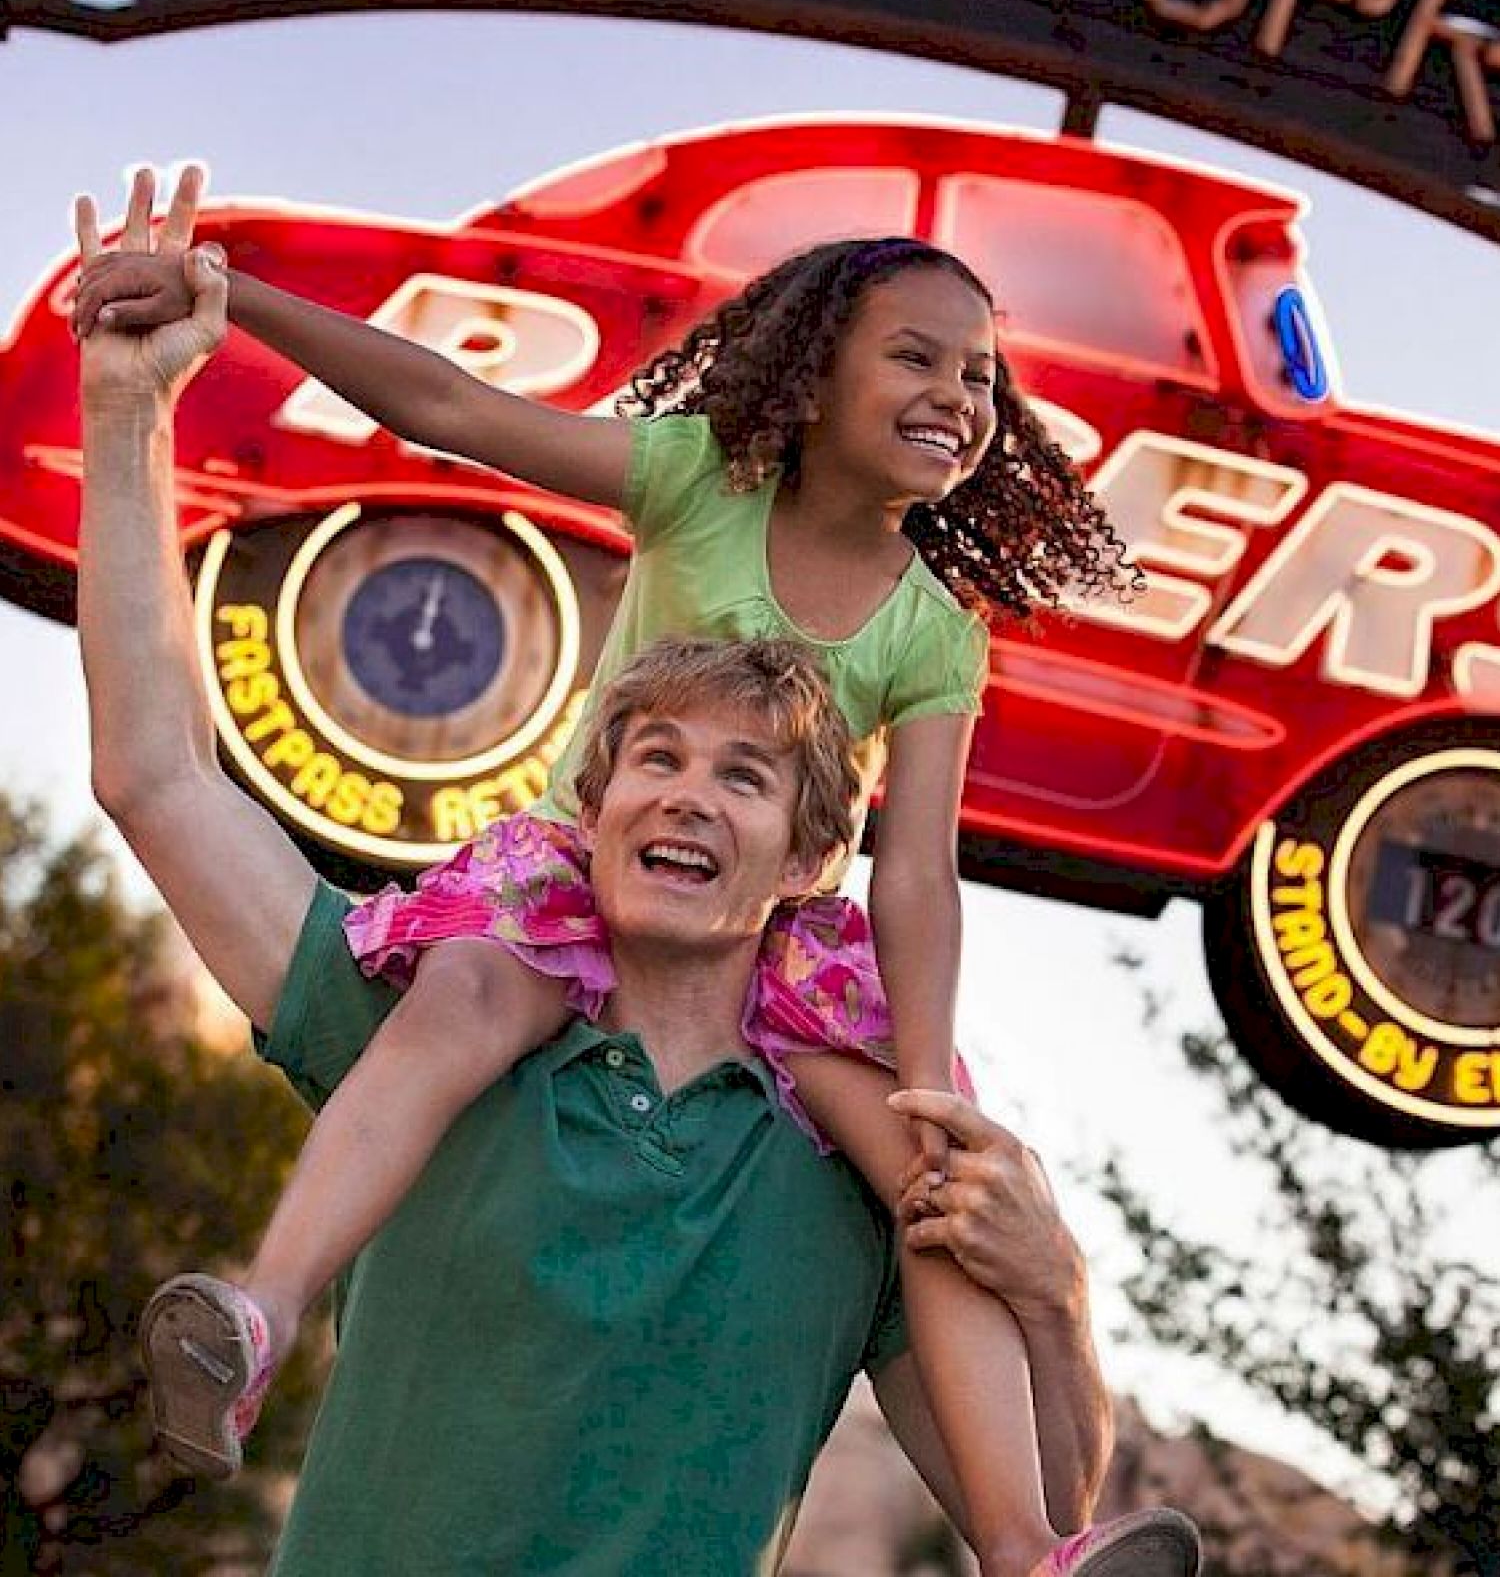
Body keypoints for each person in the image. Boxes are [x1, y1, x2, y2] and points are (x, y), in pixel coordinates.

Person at [74, 170, 1197, 1577]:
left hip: (828, 1039)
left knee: (942, 1196)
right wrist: (169, 371)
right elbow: (158, 768)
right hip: (515, 958)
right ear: (596, 794)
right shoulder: (437, 1026)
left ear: (807, 850)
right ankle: (262, 1314)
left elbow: (921, 883)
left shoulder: (847, 1176)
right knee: (475, 999)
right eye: (655, 758)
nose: (686, 793)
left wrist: (1051, 1284)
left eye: (744, 776)